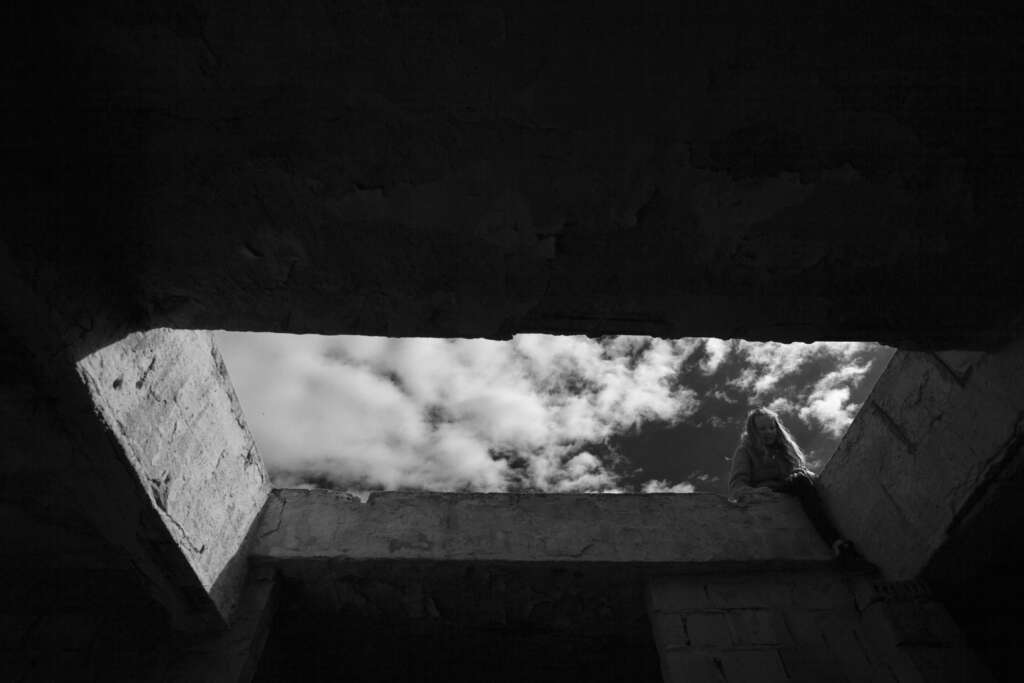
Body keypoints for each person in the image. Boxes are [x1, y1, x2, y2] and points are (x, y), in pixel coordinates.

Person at [729, 407, 861, 565]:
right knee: (801, 481)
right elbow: (737, 485)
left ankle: (839, 545)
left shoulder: (784, 449)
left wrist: (806, 475)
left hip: (792, 485)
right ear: (754, 432)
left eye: (771, 427)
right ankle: (836, 544)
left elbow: (798, 471)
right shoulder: (745, 451)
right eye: (762, 429)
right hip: (767, 491)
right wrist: (756, 492)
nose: (768, 432)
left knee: (803, 480)